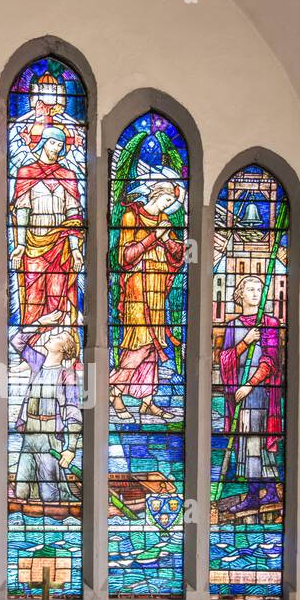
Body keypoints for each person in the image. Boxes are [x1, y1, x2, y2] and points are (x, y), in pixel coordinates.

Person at [110, 178, 186, 421]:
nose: (168, 205)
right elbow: (126, 257)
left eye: (172, 202)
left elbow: (178, 255)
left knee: (153, 346)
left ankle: (146, 401)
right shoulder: (131, 217)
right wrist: (154, 237)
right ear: (156, 195)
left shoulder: (164, 221)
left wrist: (167, 240)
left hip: (157, 289)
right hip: (136, 290)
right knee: (138, 344)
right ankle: (115, 392)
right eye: (167, 199)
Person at [217, 273, 282, 512]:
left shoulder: (270, 324)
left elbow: (271, 360)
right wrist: (246, 341)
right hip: (239, 393)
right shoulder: (233, 326)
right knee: (246, 443)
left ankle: (257, 495)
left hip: (261, 392)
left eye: (259, 289)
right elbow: (225, 359)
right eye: (250, 289)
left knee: (257, 443)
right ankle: (267, 491)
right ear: (240, 294)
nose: (256, 293)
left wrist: (250, 384)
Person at [10, 127, 83, 327]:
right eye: (53, 143)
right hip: (34, 244)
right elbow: (22, 209)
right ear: (43, 142)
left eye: (60, 145)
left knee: (57, 296)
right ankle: (31, 353)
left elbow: (73, 213)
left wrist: (75, 249)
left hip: (60, 244)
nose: (57, 149)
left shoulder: (68, 175)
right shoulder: (26, 172)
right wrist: (21, 244)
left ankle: (57, 352)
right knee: (33, 297)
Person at [11, 311, 81, 508]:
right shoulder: (37, 363)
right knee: (21, 491)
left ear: (64, 349)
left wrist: (70, 449)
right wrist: (39, 322)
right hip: (30, 432)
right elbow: (17, 341)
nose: (53, 334)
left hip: (50, 436)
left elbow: (73, 411)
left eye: (59, 336)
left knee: (50, 495)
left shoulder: (67, 375)